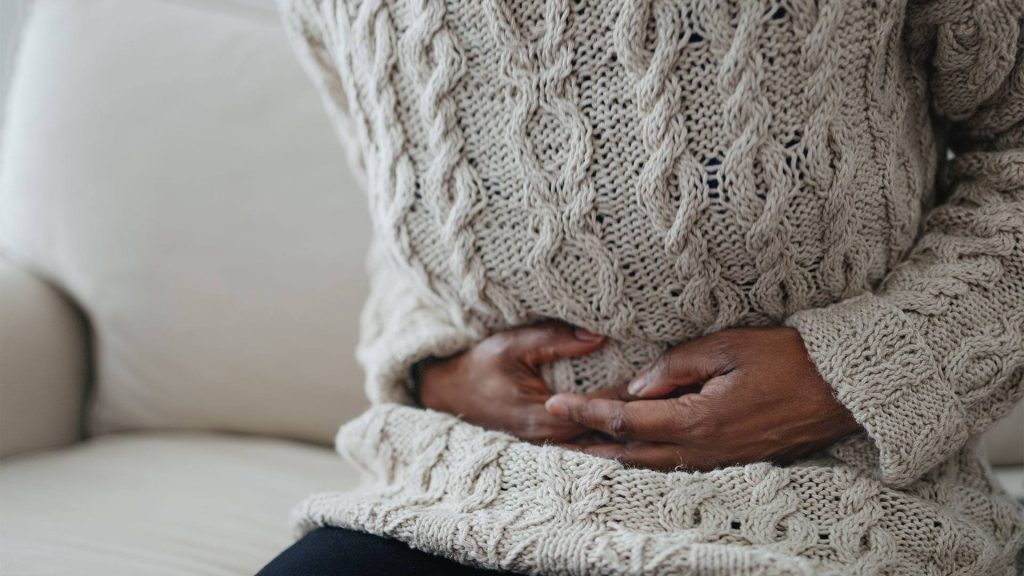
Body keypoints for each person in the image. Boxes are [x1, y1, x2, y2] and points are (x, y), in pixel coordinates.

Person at [260, 0, 1024, 574]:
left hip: (831, 506)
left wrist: (852, 377)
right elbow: (407, 210)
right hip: (468, 491)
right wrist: (436, 369)